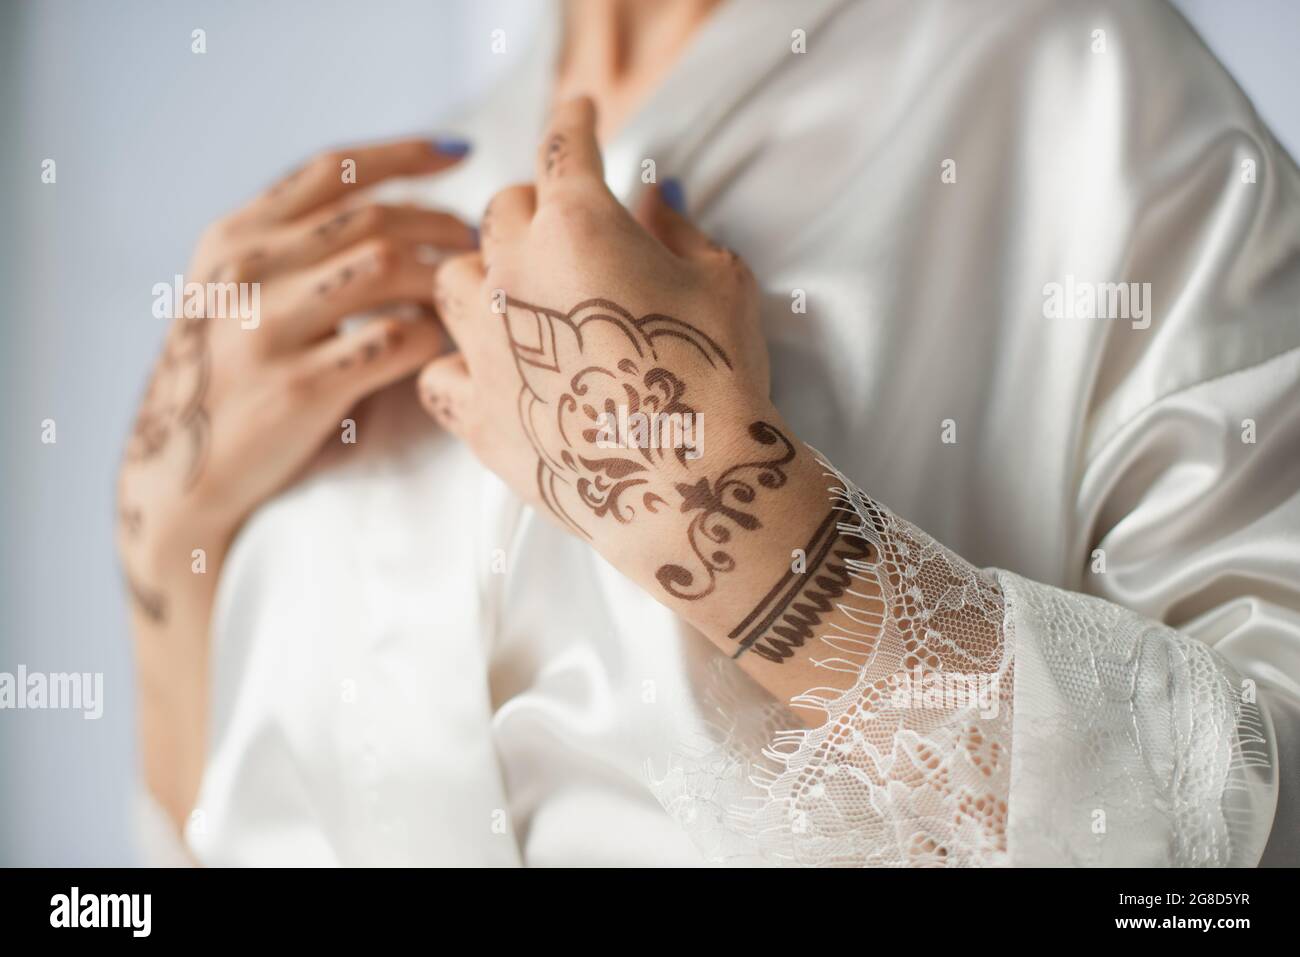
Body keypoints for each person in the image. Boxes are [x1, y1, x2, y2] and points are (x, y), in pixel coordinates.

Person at [121, 0, 1300, 866]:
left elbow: (1262, 825)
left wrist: (735, 516)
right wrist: (166, 553)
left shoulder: (1083, 91)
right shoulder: (378, 225)